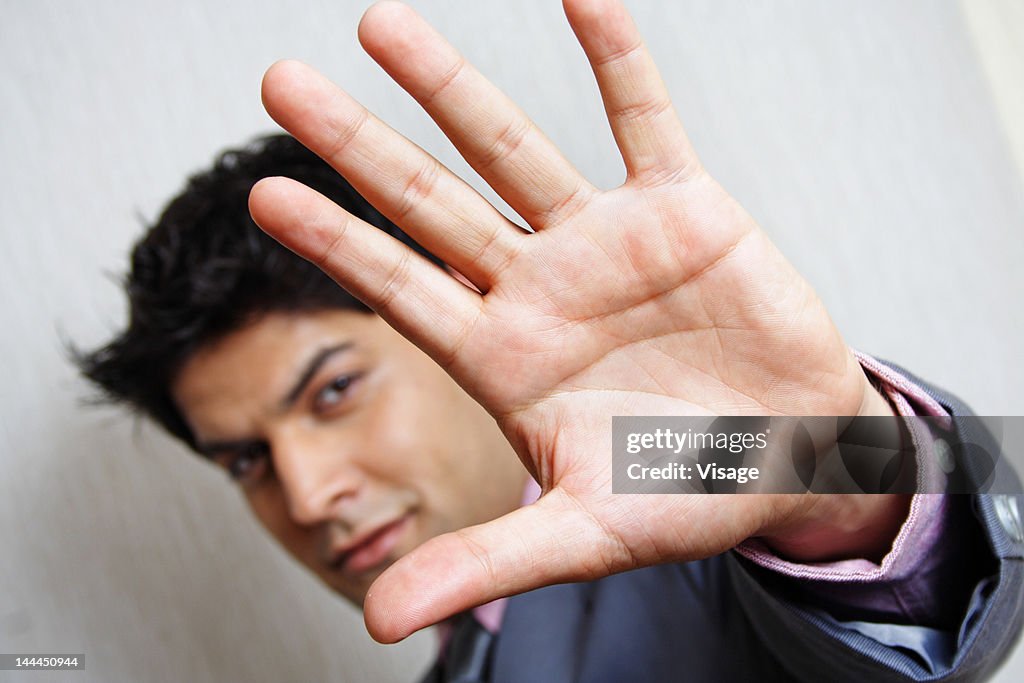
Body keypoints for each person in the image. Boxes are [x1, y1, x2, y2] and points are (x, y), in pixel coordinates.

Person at [76, 0, 1023, 681]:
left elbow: (974, 497)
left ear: (454, 312)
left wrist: (821, 467)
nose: (309, 494)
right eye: (246, 459)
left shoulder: (687, 495)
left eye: (331, 392)